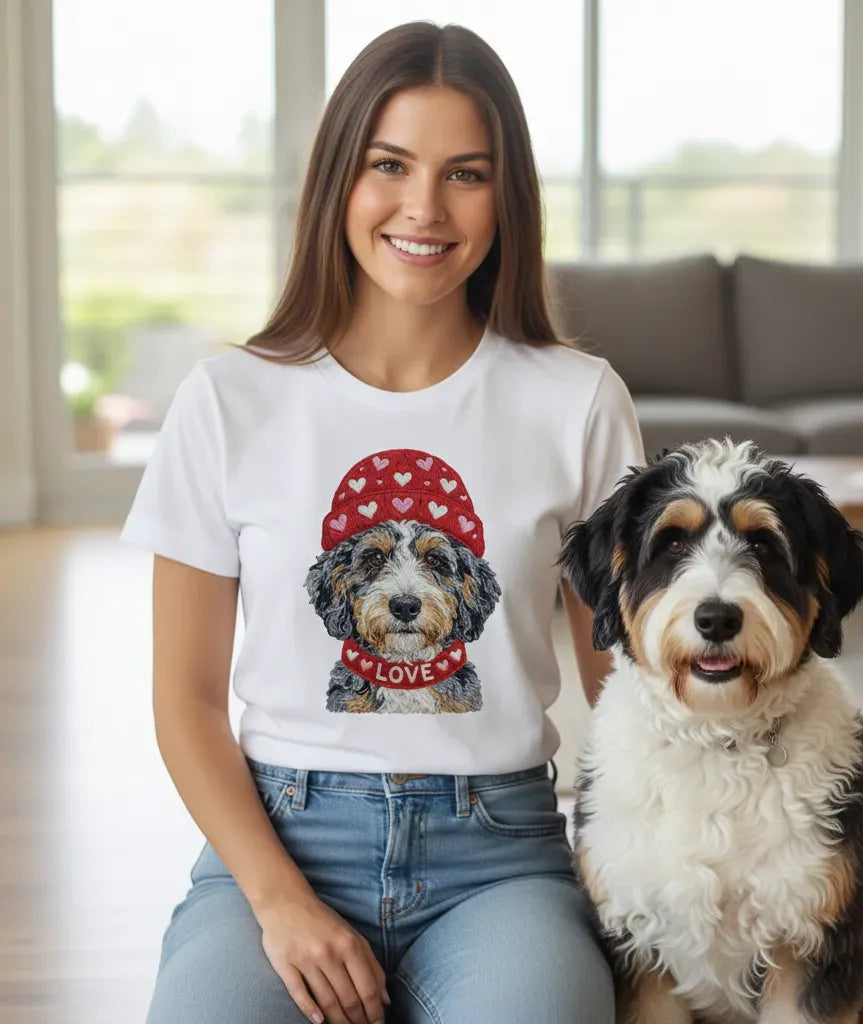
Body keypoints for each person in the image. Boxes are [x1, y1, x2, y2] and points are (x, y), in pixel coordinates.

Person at [121, 21, 644, 1024]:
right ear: (338, 182)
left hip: (502, 852)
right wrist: (279, 903)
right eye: (389, 164)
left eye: (466, 173)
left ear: (507, 197)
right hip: (277, 841)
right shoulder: (228, 399)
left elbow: (622, 689)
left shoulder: (577, 401)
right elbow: (184, 700)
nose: (423, 206)